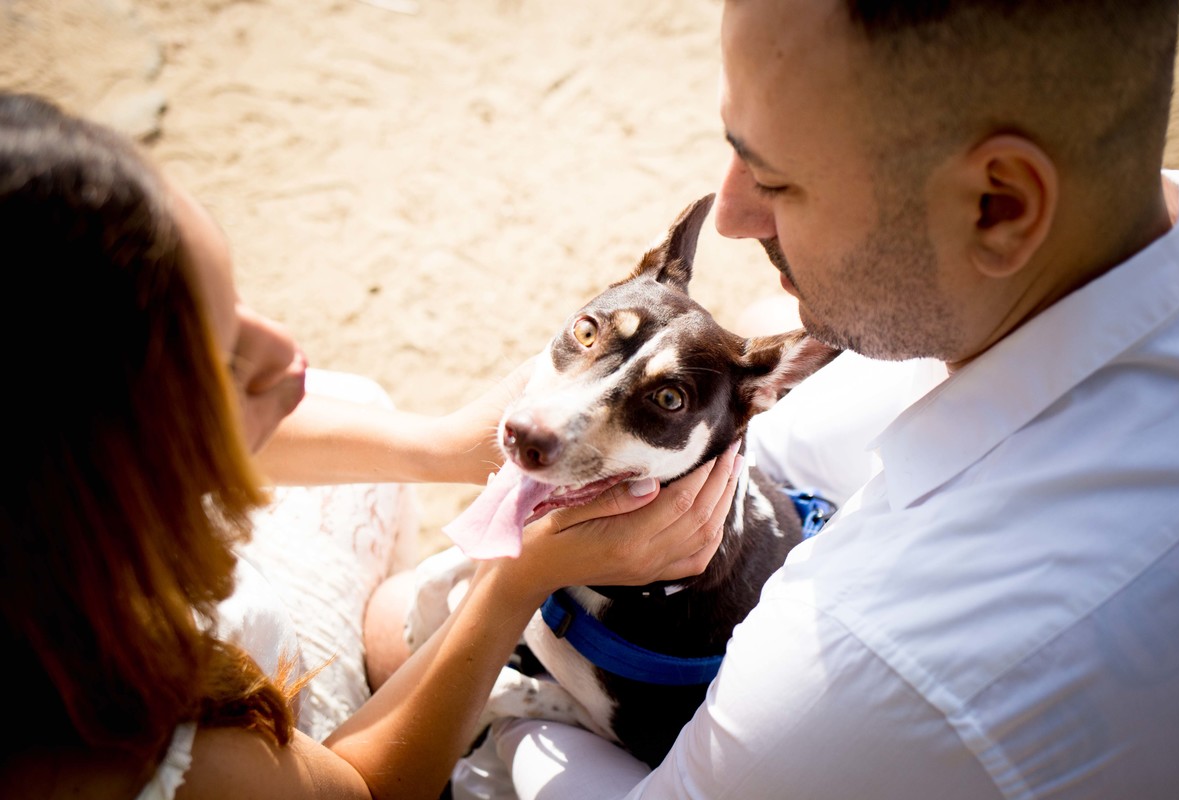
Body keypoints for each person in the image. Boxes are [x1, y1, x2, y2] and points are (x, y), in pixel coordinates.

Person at [473, 1, 1179, 798]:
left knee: (395, 625)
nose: (735, 215)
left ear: (999, 205)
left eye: (776, 179)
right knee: (764, 325)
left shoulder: (866, 670)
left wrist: (520, 716)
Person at [0, 91, 742, 799]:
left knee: (358, 407)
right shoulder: (117, 756)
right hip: (304, 760)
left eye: (239, 301)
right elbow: (364, 792)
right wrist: (516, 581)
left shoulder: (42, 489)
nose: (285, 348)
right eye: (224, 353)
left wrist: (442, 446)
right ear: (94, 478)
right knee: (395, 629)